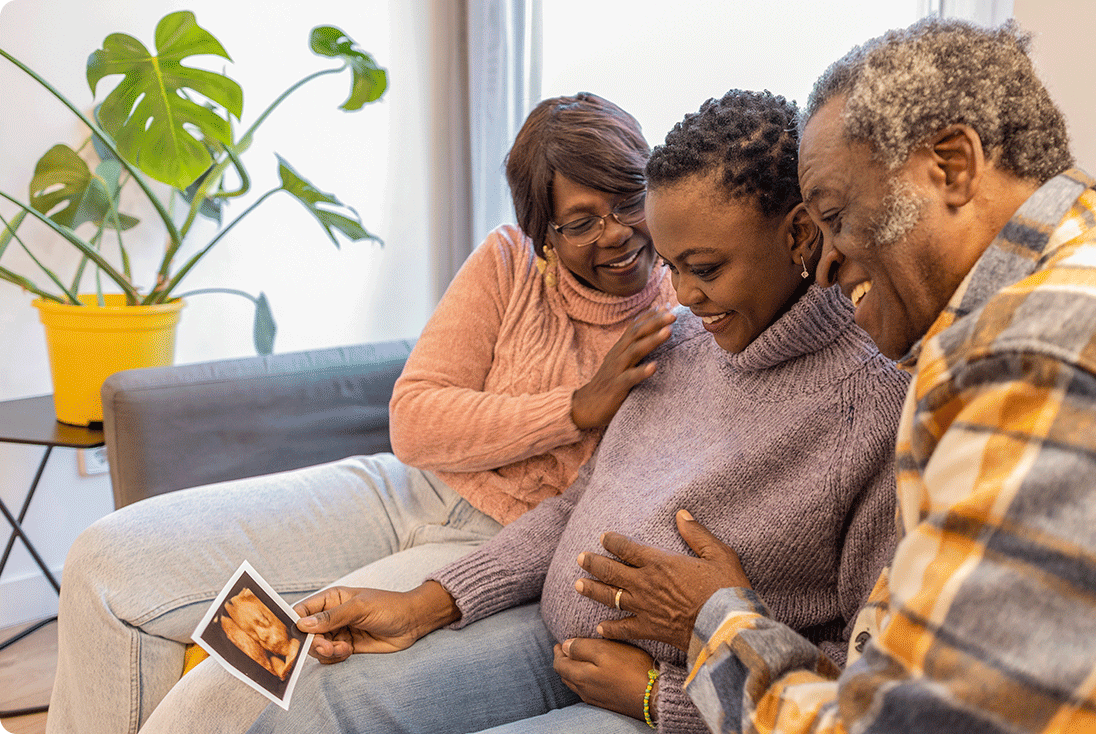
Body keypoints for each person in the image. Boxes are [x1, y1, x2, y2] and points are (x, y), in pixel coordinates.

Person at [573, 18, 1096, 734]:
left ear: (952, 167)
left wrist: (716, 622)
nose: (822, 263)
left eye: (834, 215)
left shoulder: (1048, 376)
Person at [181, 89, 910, 734]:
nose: (681, 294)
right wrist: (426, 603)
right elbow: (576, 506)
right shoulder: (682, 342)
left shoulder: (874, 409)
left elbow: (860, 677)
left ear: (800, 235)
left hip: (686, 693)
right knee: (323, 706)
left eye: (705, 268)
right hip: (548, 635)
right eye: (674, 264)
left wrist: (668, 698)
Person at [47, 91, 678, 734]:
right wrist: (573, 409)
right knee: (106, 559)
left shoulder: (683, 314)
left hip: (496, 542)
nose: (617, 232)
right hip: (405, 488)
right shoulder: (507, 260)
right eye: (581, 221)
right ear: (543, 235)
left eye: (629, 199)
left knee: (236, 684)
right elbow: (415, 419)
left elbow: (599, 508)